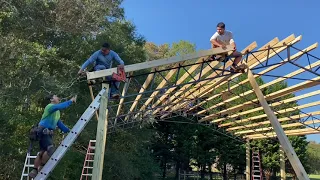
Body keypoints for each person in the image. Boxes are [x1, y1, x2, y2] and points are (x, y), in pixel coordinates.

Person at [28, 94, 77, 178]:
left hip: (48, 133)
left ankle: (35, 170)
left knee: (43, 152)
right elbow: (60, 106)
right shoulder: (50, 106)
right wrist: (70, 101)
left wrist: (69, 131)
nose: (58, 97)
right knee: (50, 149)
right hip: (43, 131)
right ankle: (41, 167)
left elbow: (59, 124)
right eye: (55, 96)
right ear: (51, 99)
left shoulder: (57, 113)